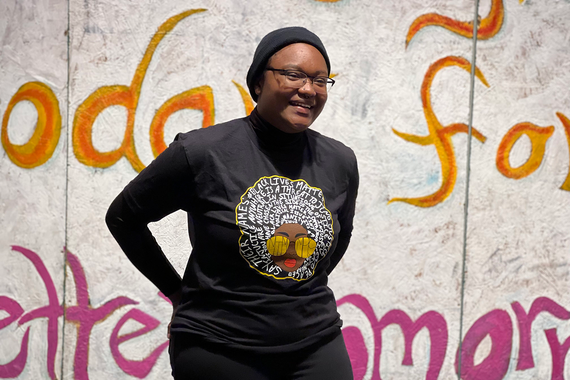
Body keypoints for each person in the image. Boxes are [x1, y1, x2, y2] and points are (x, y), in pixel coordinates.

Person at [106, 26, 359, 380]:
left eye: (320, 80)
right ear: (258, 83)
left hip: (315, 343)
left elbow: (340, 236)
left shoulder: (339, 161)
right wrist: (177, 292)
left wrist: (289, 283)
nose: (308, 89)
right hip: (218, 344)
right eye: (293, 75)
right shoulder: (201, 152)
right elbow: (123, 218)